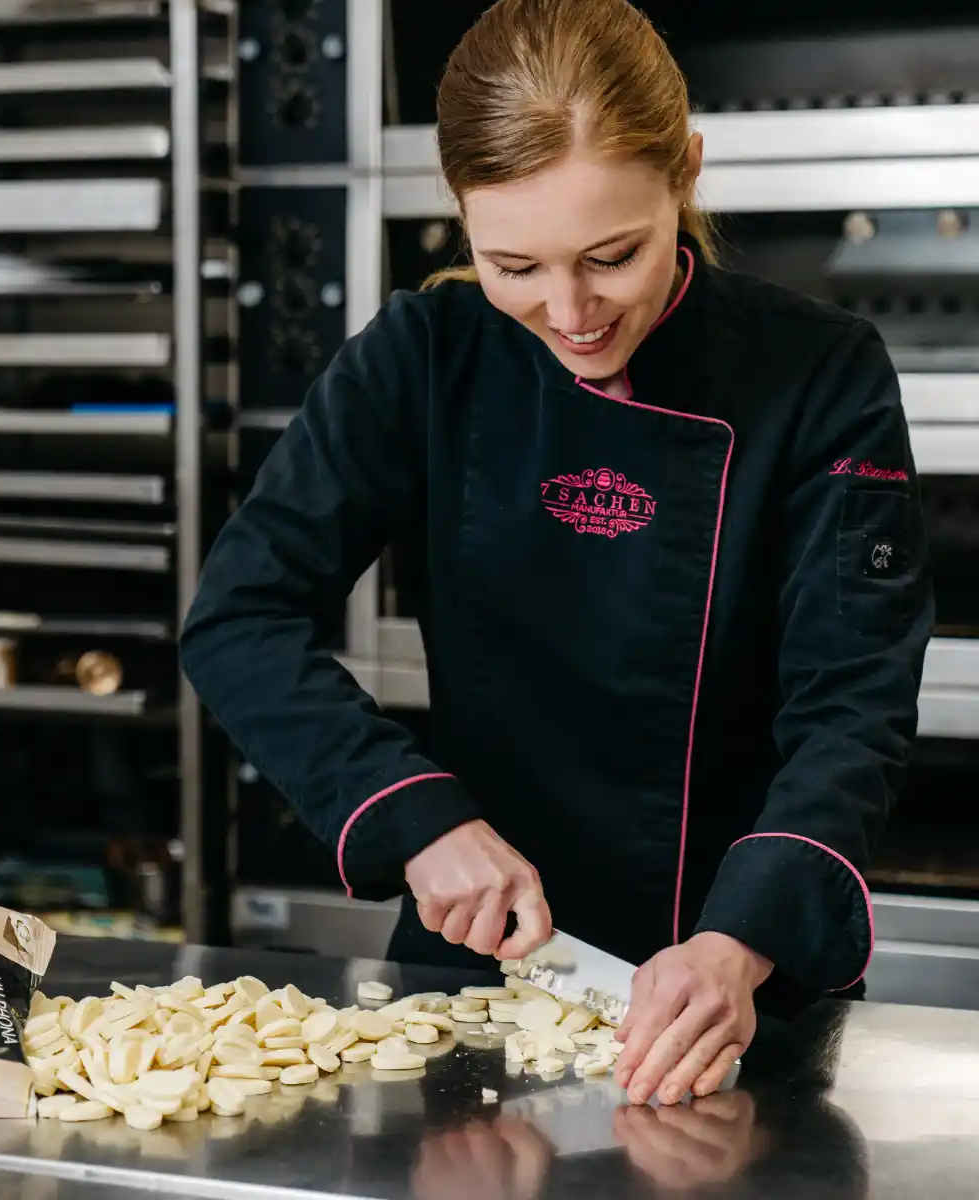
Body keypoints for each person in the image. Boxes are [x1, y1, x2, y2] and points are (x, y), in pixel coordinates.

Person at [181, 0, 933, 1107]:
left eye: (613, 256)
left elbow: (852, 702)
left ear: (685, 170)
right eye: (513, 265)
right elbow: (238, 619)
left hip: (737, 986)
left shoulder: (819, 373)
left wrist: (744, 937)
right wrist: (415, 816)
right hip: (478, 968)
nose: (571, 312)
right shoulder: (421, 358)